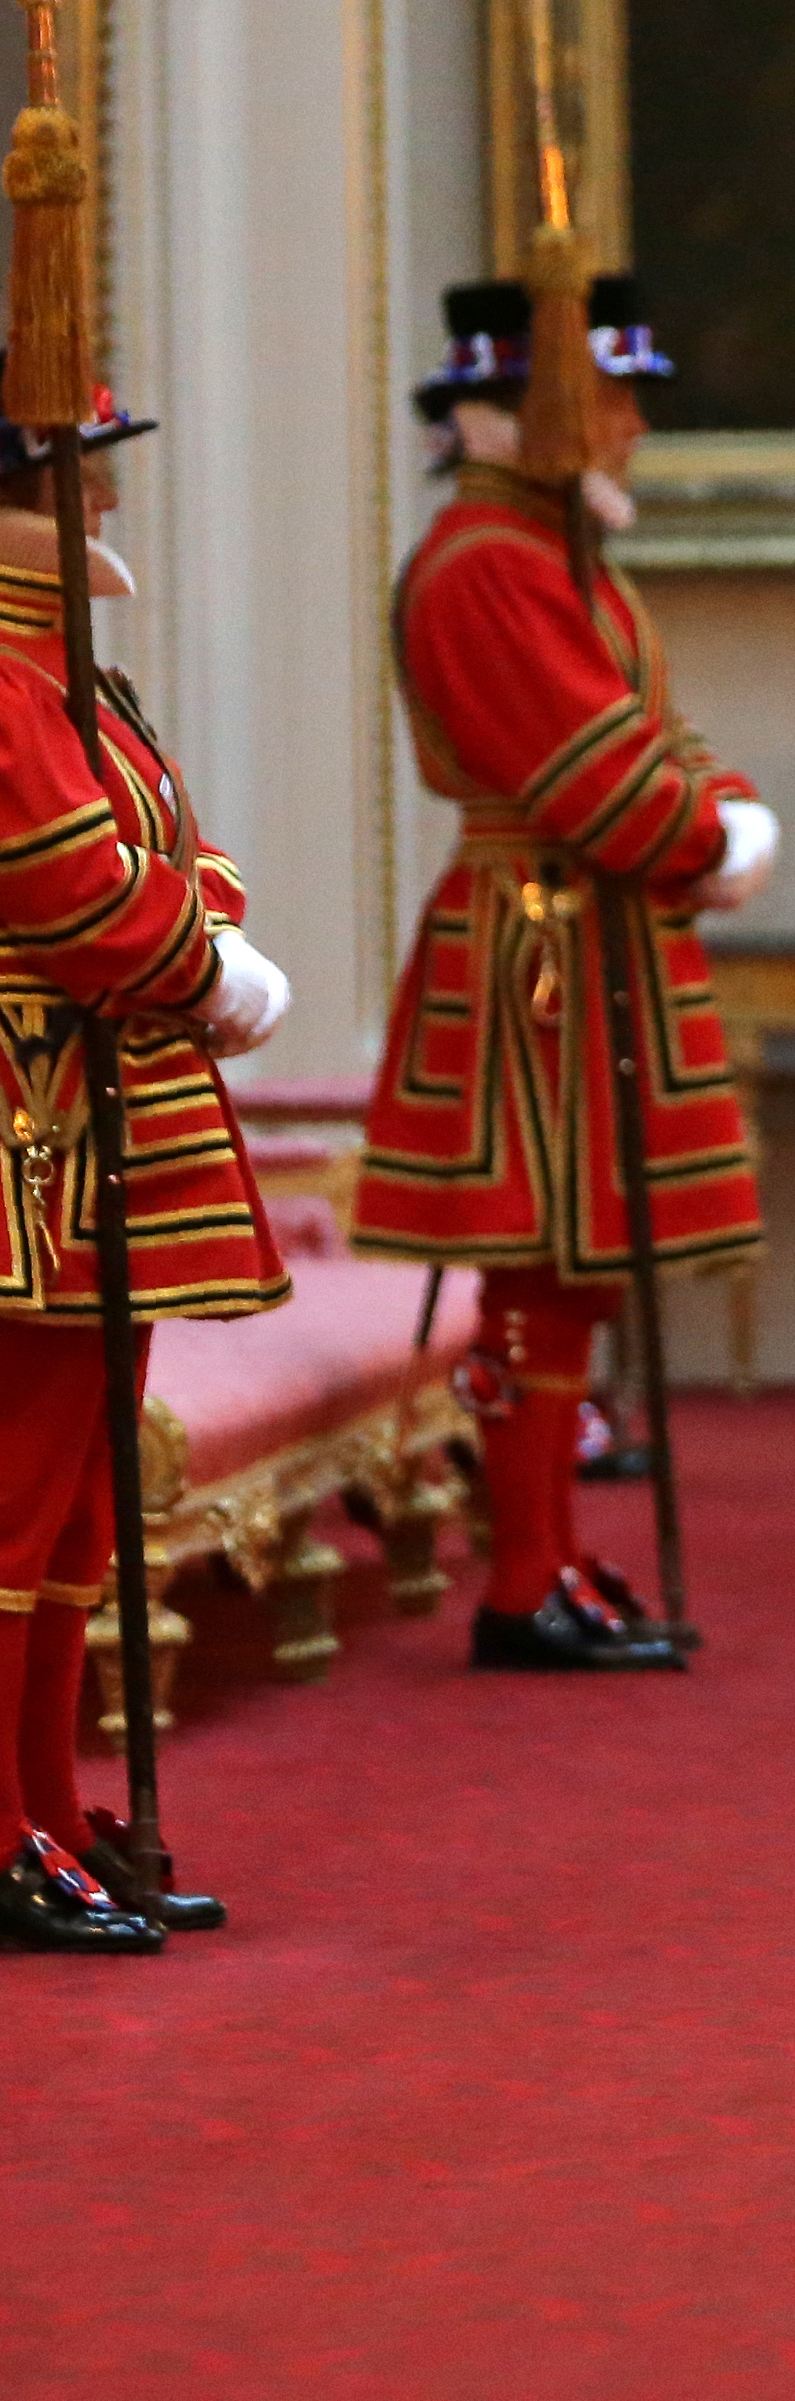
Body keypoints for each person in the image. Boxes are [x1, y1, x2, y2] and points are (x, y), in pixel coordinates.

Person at [352, 277, 780, 1674]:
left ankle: (546, 1559)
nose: (635, 426)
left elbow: (651, 731)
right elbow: (596, 779)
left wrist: (717, 805)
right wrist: (709, 832)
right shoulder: (487, 562)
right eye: (611, 396)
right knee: (539, 1261)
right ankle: (521, 1572)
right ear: (534, 411)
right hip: (539, 940)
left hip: (585, 931)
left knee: (573, 1268)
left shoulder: (550, 554)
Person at [0, 384, 291, 1949]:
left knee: (73, 1514)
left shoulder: (68, 672)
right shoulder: (2, 671)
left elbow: (167, 847)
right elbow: (67, 889)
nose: (105, 505)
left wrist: (204, 927)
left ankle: (43, 1804)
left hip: (98, 1104)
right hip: (25, 1121)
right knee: (14, 1496)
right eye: (81, 477)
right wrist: (204, 959)